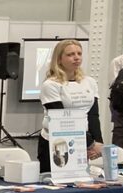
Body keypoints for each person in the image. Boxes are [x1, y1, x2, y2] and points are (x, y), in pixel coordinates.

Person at [38, 39, 102, 174]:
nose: (76, 57)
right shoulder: (51, 85)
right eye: (70, 54)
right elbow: (60, 119)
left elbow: (93, 115)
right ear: (59, 59)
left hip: (82, 140)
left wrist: (97, 143)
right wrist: (90, 143)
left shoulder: (90, 82)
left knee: (81, 179)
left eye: (79, 53)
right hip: (56, 142)